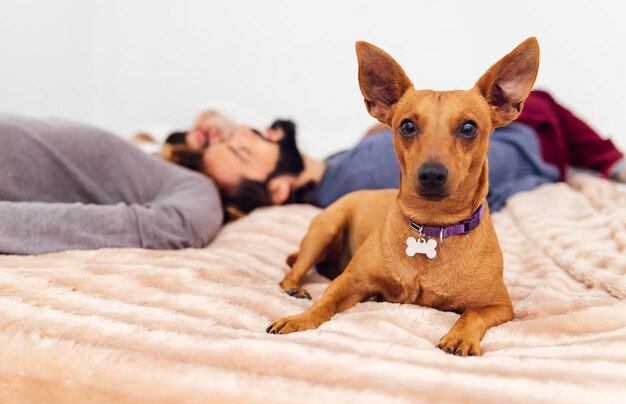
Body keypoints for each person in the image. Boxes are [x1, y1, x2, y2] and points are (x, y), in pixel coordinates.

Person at [160, 90, 623, 215]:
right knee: (540, 100)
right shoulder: (358, 183)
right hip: (533, 146)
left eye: (238, 136)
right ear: (279, 190)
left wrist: (206, 138)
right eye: (242, 154)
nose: (245, 136)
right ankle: (609, 161)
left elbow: (222, 115)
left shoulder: (341, 165)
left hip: (514, 145)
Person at [0, 114, 304, 255]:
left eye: (243, 150)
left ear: (276, 190)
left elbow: (138, 227)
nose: (243, 133)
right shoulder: (167, 162)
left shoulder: (200, 192)